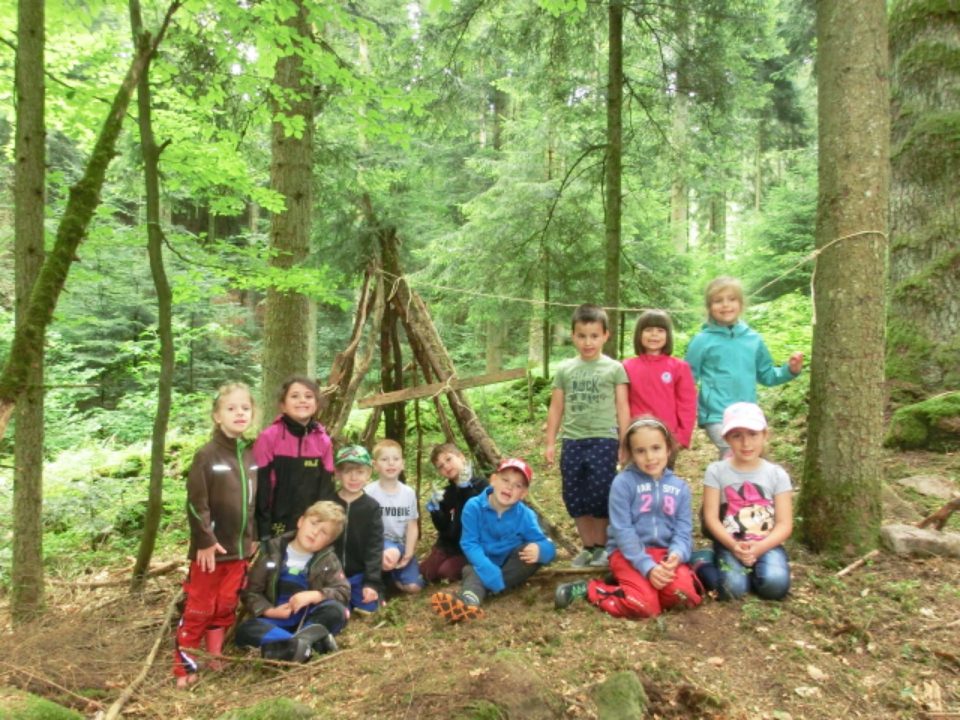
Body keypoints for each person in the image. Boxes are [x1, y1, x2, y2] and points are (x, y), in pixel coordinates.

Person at [555, 416, 701, 618]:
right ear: (631, 453)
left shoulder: (680, 488)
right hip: (628, 554)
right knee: (645, 607)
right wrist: (648, 568)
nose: (650, 457)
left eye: (656, 448)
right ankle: (592, 589)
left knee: (684, 597)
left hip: (664, 555)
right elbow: (623, 531)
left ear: (668, 449)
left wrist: (676, 555)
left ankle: (635, 586)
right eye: (640, 451)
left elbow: (683, 532)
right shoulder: (622, 484)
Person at [174, 383, 259, 687]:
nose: (239, 413)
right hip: (211, 552)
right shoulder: (207, 455)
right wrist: (205, 540)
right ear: (217, 416)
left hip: (240, 550)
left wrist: (253, 537)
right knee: (199, 607)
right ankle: (184, 666)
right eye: (231, 408)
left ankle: (215, 656)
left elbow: (253, 502)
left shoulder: (251, 454)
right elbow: (196, 503)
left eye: (245, 408)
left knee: (224, 606)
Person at [545, 303, 630, 567]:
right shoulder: (565, 369)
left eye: (594, 336)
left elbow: (622, 407)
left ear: (605, 335)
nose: (588, 342)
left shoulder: (614, 368)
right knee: (574, 494)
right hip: (572, 440)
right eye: (582, 336)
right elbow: (556, 407)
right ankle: (588, 546)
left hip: (604, 439)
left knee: (600, 493)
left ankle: (602, 547)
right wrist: (550, 442)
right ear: (573, 336)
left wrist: (624, 442)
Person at [684, 276, 804, 456]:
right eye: (718, 301)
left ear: (741, 304)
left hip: (747, 414)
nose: (725, 305)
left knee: (751, 456)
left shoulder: (753, 339)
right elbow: (687, 379)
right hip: (717, 414)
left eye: (731, 299)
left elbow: (767, 375)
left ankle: (731, 475)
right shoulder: (702, 341)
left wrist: (790, 370)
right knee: (732, 452)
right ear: (709, 307)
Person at [431, 458, 556, 622]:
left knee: (529, 554)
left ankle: (487, 588)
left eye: (518, 485)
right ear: (493, 480)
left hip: (511, 566)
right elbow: (469, 543)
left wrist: (541, 550)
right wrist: (488, 569)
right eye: (505, 480)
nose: (510, 487)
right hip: (482, 562)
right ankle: (468, 602)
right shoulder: (473, 507)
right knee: (472, 572)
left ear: (523, 494)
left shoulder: (525, 515)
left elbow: (548, 545)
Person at [695, 402, 793, 601]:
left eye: (753, 434)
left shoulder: (777, 474)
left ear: (765, 435)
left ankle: (754, 573)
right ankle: (702, 562)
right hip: (730, 542)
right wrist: (733, 546)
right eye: (737, 436)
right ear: (726, 438)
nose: (746, 443)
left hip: (767, 543)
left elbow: (784, 524)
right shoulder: (717, 471)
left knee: (775, 585)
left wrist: (760, 548)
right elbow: (711, 517)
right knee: (733, 589)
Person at [236, 501, 349, 662]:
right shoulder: (271, 551)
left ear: (329, 542)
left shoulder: (328, 560)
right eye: (313, 524)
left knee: (336, 610)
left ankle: (295, 646)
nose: (315, 532)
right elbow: (251, 592)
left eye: (324, 532)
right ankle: (307, 645)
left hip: (309, 619)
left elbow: (343, 591)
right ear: (301, 521)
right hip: (275, 621)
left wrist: (315, 595)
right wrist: (270, 611)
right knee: (246, 630)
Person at [254, 376, 335, 540]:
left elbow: (326, 490)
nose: (302, 400)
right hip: (274, 524)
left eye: (308, 396)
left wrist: (321, 524)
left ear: (316, 404)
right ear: (283, 405)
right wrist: (263, 531)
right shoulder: (269, 437)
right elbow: (261, 488)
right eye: (295, 396)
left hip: (311, 525)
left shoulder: (323, 441)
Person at [622, 309, 697, 450]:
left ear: (668, 335)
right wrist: (623, 436)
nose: (654, 334)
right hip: (636, 436)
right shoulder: (626, 366)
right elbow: (621, 404)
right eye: (648, 330)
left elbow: (687, 405)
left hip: (668, 438)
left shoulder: (679, 367)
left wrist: (682, 437)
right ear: (639, 334)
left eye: (660, 330)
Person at [420, 443, 488, 583]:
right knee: (427, 572)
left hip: (473, 546)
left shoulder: (481, 485)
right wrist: (436, 511)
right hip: (450, 545)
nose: (446, 466)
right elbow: (443, 527)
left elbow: (478, 515)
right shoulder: (446, 493)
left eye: (448, 459)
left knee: (445, 572)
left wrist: (465, 489)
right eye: (440, 466)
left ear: (461, 457)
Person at [330, 445, 385, 614]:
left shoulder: (372, 507)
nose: (354, 477)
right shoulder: (328, 503)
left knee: (369, 607)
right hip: (331, 575)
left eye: (360, 472)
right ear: (337, 473)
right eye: (348, 471)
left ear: (368, 474)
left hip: (358, 574)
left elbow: (375, 547)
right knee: (335, 609)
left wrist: (371, 582)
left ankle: (372, 590)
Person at [366, 439, 425, 594]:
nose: (391, 463)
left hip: (401, 545)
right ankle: (381, 577)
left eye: (396, 459)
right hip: (378, 543)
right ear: (375, 465)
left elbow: (412, 525)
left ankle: (392, 578)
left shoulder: (408, 493)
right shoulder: (369, 492)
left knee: (414, 588)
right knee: (390, 553)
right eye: (384, 459)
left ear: (402, 464)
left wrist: (409, 552)